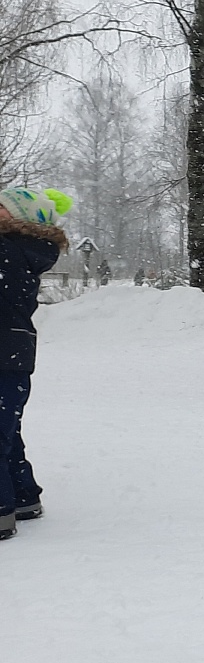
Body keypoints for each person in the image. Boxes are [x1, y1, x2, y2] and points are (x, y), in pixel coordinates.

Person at [0, 186, 72, 539]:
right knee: (6, 429)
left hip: (3, 346)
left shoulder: (6, 249)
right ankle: (24, 497)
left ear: (17, 217)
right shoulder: (26, 250)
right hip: (14, 349)